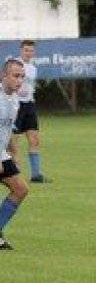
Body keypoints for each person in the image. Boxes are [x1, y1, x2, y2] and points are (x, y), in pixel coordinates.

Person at [0, 59, 29, 249]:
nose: (19, 80)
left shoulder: (15, 100)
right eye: (15, 76)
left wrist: (13, 154)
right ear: (4, 76)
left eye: (22, 77)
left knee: (21, 189)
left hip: (2, 153)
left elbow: (8, 130)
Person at [11, 40, 47, 183]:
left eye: (31, 50)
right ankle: (14, 175)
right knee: (13, 143)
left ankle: (36, 175)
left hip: (29, 106)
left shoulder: (33, 68)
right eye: (26, 50)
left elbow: (29, 87)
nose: (29, 53)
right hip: (16, 106)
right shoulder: (14, 66)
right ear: (21, 50)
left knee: (34, 139)